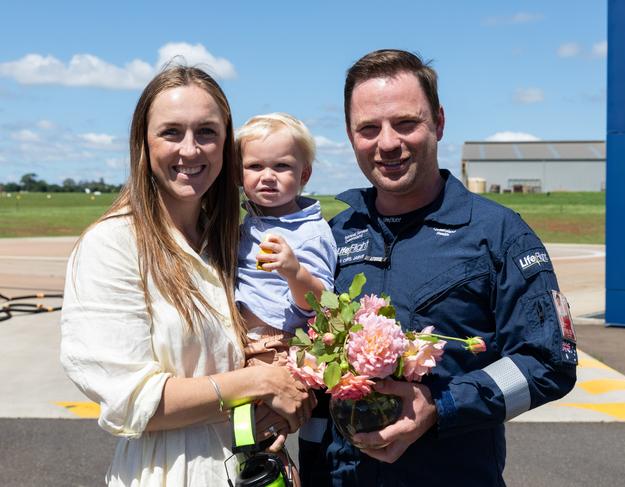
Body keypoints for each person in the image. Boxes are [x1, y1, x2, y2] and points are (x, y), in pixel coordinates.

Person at [300, 49, 578, 486]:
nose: (387, 142)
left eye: (406, 123)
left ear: (439, 123)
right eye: (368, 128)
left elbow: (548, 364)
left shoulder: (499, 235)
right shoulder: (329, 236)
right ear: (352, 136)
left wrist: (440, 406)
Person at [60, 66, 314, 486]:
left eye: (207, 132)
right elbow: (133, 402)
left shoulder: (230, 244)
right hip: (170, 471)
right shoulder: (114, 244)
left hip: (253, 466)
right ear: (143, 142)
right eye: (171, 132)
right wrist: (259, 382)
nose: (191, 150)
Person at [234, 113, 337, 368]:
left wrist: (295, 272)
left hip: (278, 346)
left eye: (281, 166)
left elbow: (321, 303)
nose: (268, 176)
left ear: (304, 175)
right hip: (239, 339)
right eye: (255, 166)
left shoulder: (311, 232)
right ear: (239, 174)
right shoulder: (249, 223)